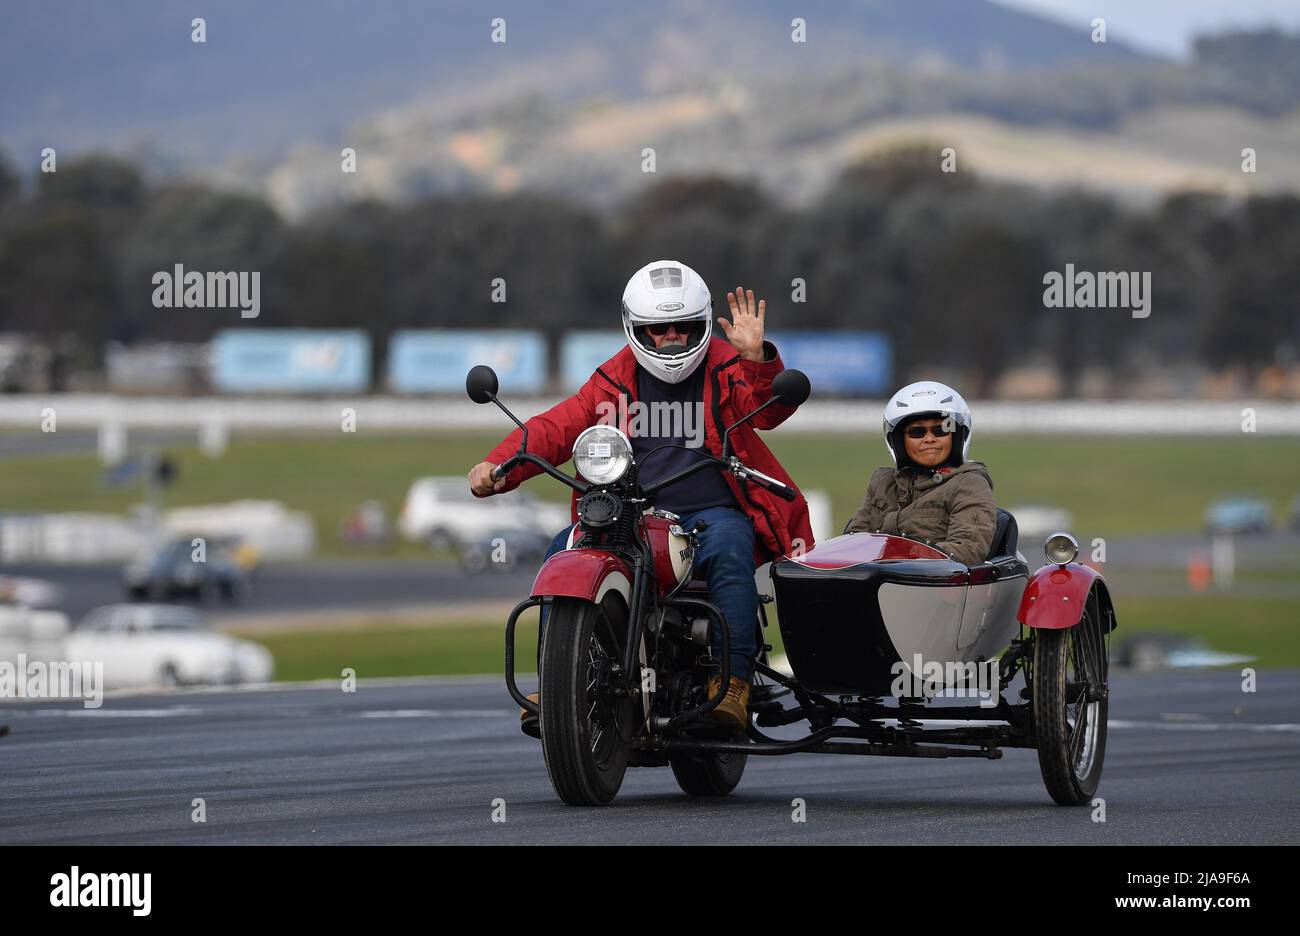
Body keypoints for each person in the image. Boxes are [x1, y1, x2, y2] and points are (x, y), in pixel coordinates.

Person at [469, 260, 813, 737]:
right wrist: (497, 466)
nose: (670, 337)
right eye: (657, 329)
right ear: (635, 327)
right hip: (626, 514)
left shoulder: (726, 364)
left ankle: (731, 683)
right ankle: (558, 682)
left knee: (732, 548)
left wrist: (756, 360)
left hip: (710, 513)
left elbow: (767, 412)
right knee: (561, 548)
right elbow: (555, 428)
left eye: (683, 326)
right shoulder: (611, 378)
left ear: (703, 323)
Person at [844, 380, 997, 566]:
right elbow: (852, 542)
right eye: (917, 432)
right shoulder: (882, 482)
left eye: (941, 430)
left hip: (934, 589)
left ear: (956, 437)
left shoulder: (969, 483)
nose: (930, 439)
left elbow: (968, 549)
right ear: (899, 441)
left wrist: (898, 558)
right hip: (878, 584)